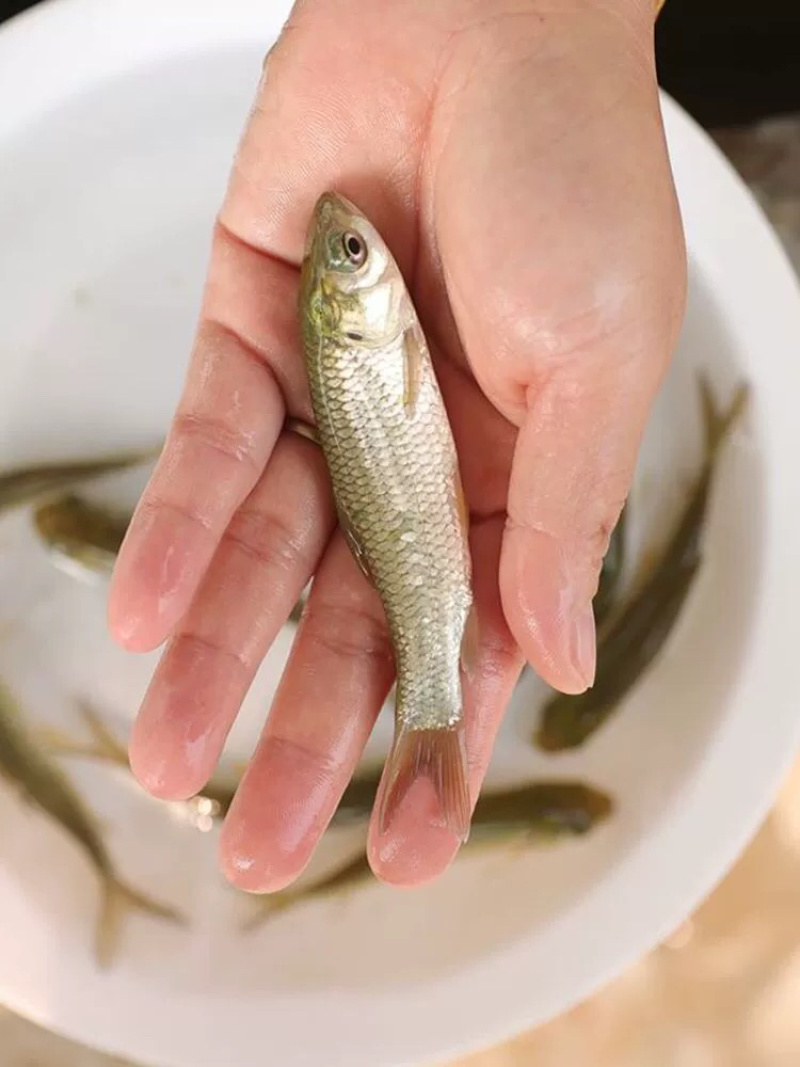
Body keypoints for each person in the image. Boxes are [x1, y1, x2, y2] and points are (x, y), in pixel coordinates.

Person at [108, 0, 684, 893]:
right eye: (351, 252)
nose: (353, 240)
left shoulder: (369, 335)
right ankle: (433, 710)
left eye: (342, 252)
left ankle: (429, 713)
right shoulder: (372, 339)